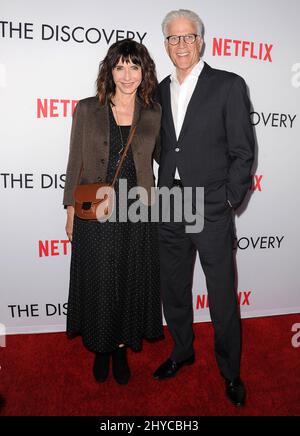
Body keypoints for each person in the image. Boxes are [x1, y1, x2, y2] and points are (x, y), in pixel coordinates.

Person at [153, 9, 255, 407]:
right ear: (165, 45)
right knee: (174, 290)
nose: (181, 45)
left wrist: (230, 199)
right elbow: (163, 147)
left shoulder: (228, 85)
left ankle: (231, 371)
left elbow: (243, 151)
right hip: (171, 204)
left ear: (201, 41)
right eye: (173, 38)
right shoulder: (158, 90)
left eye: (188, 37)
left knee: (222, 295)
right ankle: (182, 351)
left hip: (212, 206)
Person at [63, 39, 163, 385]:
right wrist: (70, 210)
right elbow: (75, 160)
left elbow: (167, 158)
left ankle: (119, 348)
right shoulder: (87, 108)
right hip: (97, 211)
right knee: (100, 281)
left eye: (134, 67)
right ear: (110, 71)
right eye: (119, 67)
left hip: (137, 212)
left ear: (143, 72)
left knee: (128, 280)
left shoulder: (153, 112)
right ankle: (101, 349)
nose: (127, 75)